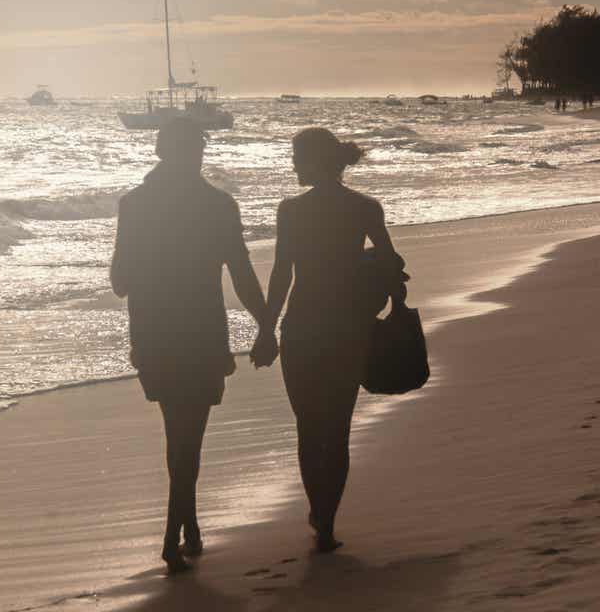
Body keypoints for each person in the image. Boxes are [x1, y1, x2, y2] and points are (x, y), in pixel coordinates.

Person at [110, 117, 272, 574]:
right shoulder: (218, 206)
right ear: (195, 153)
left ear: (161, 151)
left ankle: (188, 526)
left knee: (176, 431)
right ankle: (173, 534)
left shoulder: (134, 205)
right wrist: (265, 325)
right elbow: (240, 273)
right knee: (190, 433)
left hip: (154, 330)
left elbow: (120, 282)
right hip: (201, 331)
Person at [257, 127, 397, 553]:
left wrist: (266, 329)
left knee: (308, 427)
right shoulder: (365, 207)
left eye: (297, 158)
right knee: (336, 429)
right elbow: (390, 265)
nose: (293, 165)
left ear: (315, 161)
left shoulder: (291, 211)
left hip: (301, 327)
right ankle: (327, 522)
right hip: (347, 329)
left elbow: (283, 273)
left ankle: (318, 509)